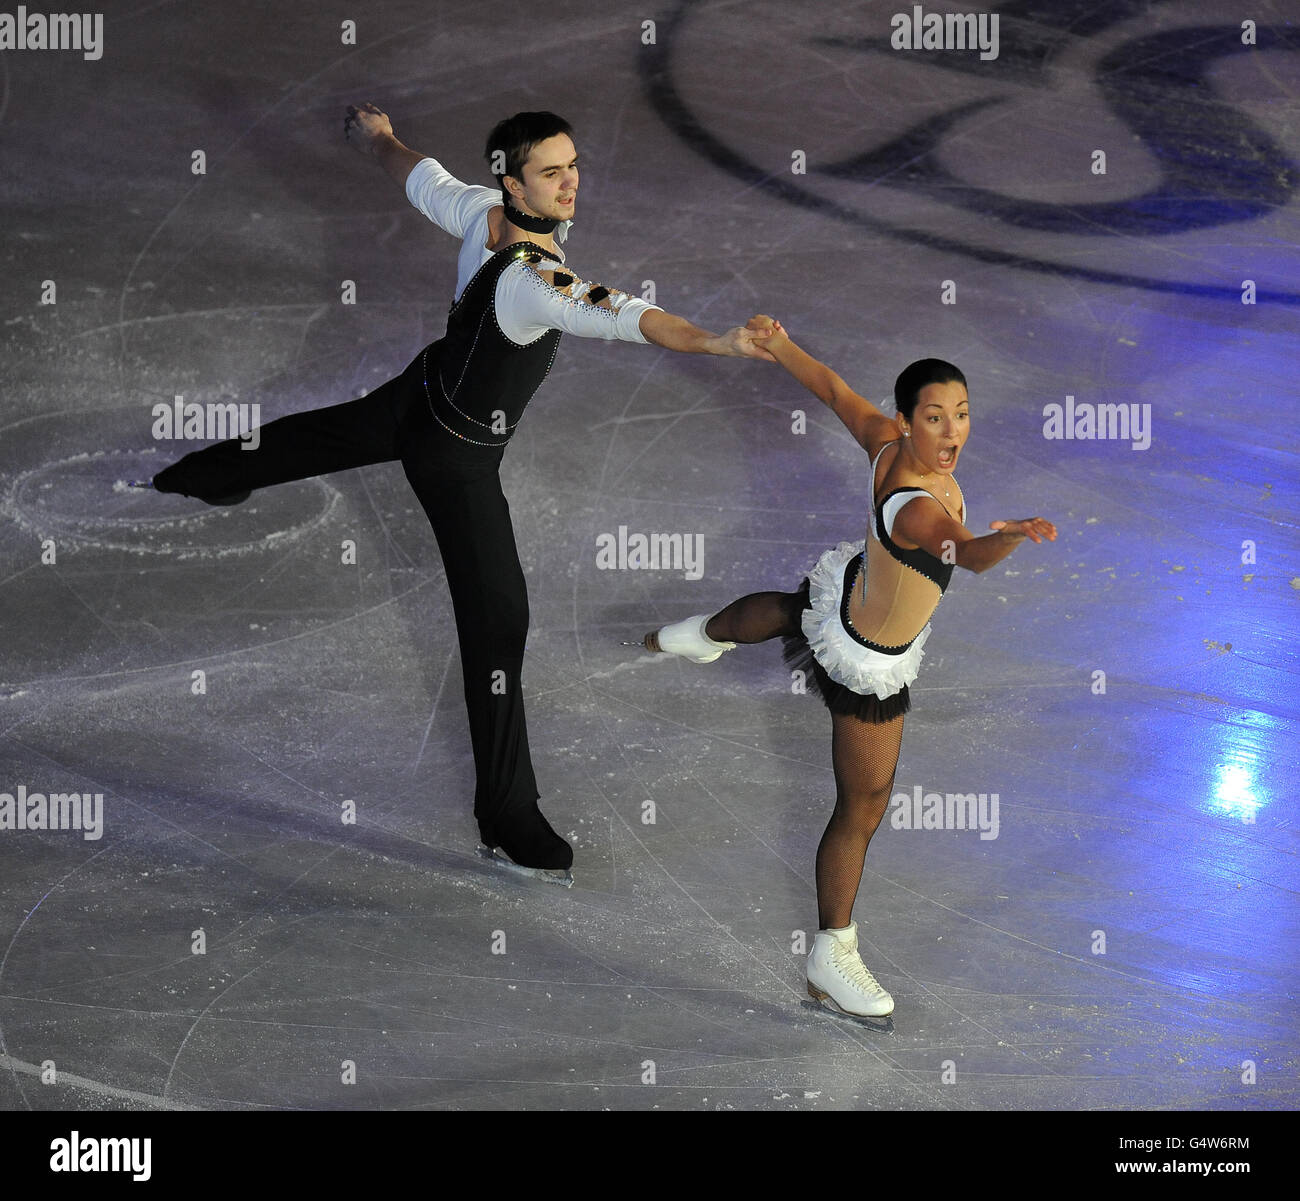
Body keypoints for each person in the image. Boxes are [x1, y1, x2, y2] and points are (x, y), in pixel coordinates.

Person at [149, 105, 773, 886]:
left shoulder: (480, 210)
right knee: (499, 618)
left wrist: (376, 136)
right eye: (552, 172)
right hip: (455, 458)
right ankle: (506, 816)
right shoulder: (536, 282)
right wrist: (715, 341)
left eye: (573, 164)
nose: (571, 181)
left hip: (423, 390)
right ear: (512, 182)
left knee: (326, 435)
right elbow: (624, 316)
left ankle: (201, 474)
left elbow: (416, 173)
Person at [643, 316, 1056, 1018]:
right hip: (870, 657)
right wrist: (1008, 536)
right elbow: (970, 555)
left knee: (789, 607)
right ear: (907, 419)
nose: (951, 431)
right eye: (934, 417)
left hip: (852, 594)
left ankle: (693, 633)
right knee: (862, 805)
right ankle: (831, 952)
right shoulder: (920, 510)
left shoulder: (885, 443)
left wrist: (779, 344)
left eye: (961, 414)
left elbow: (832, 388)